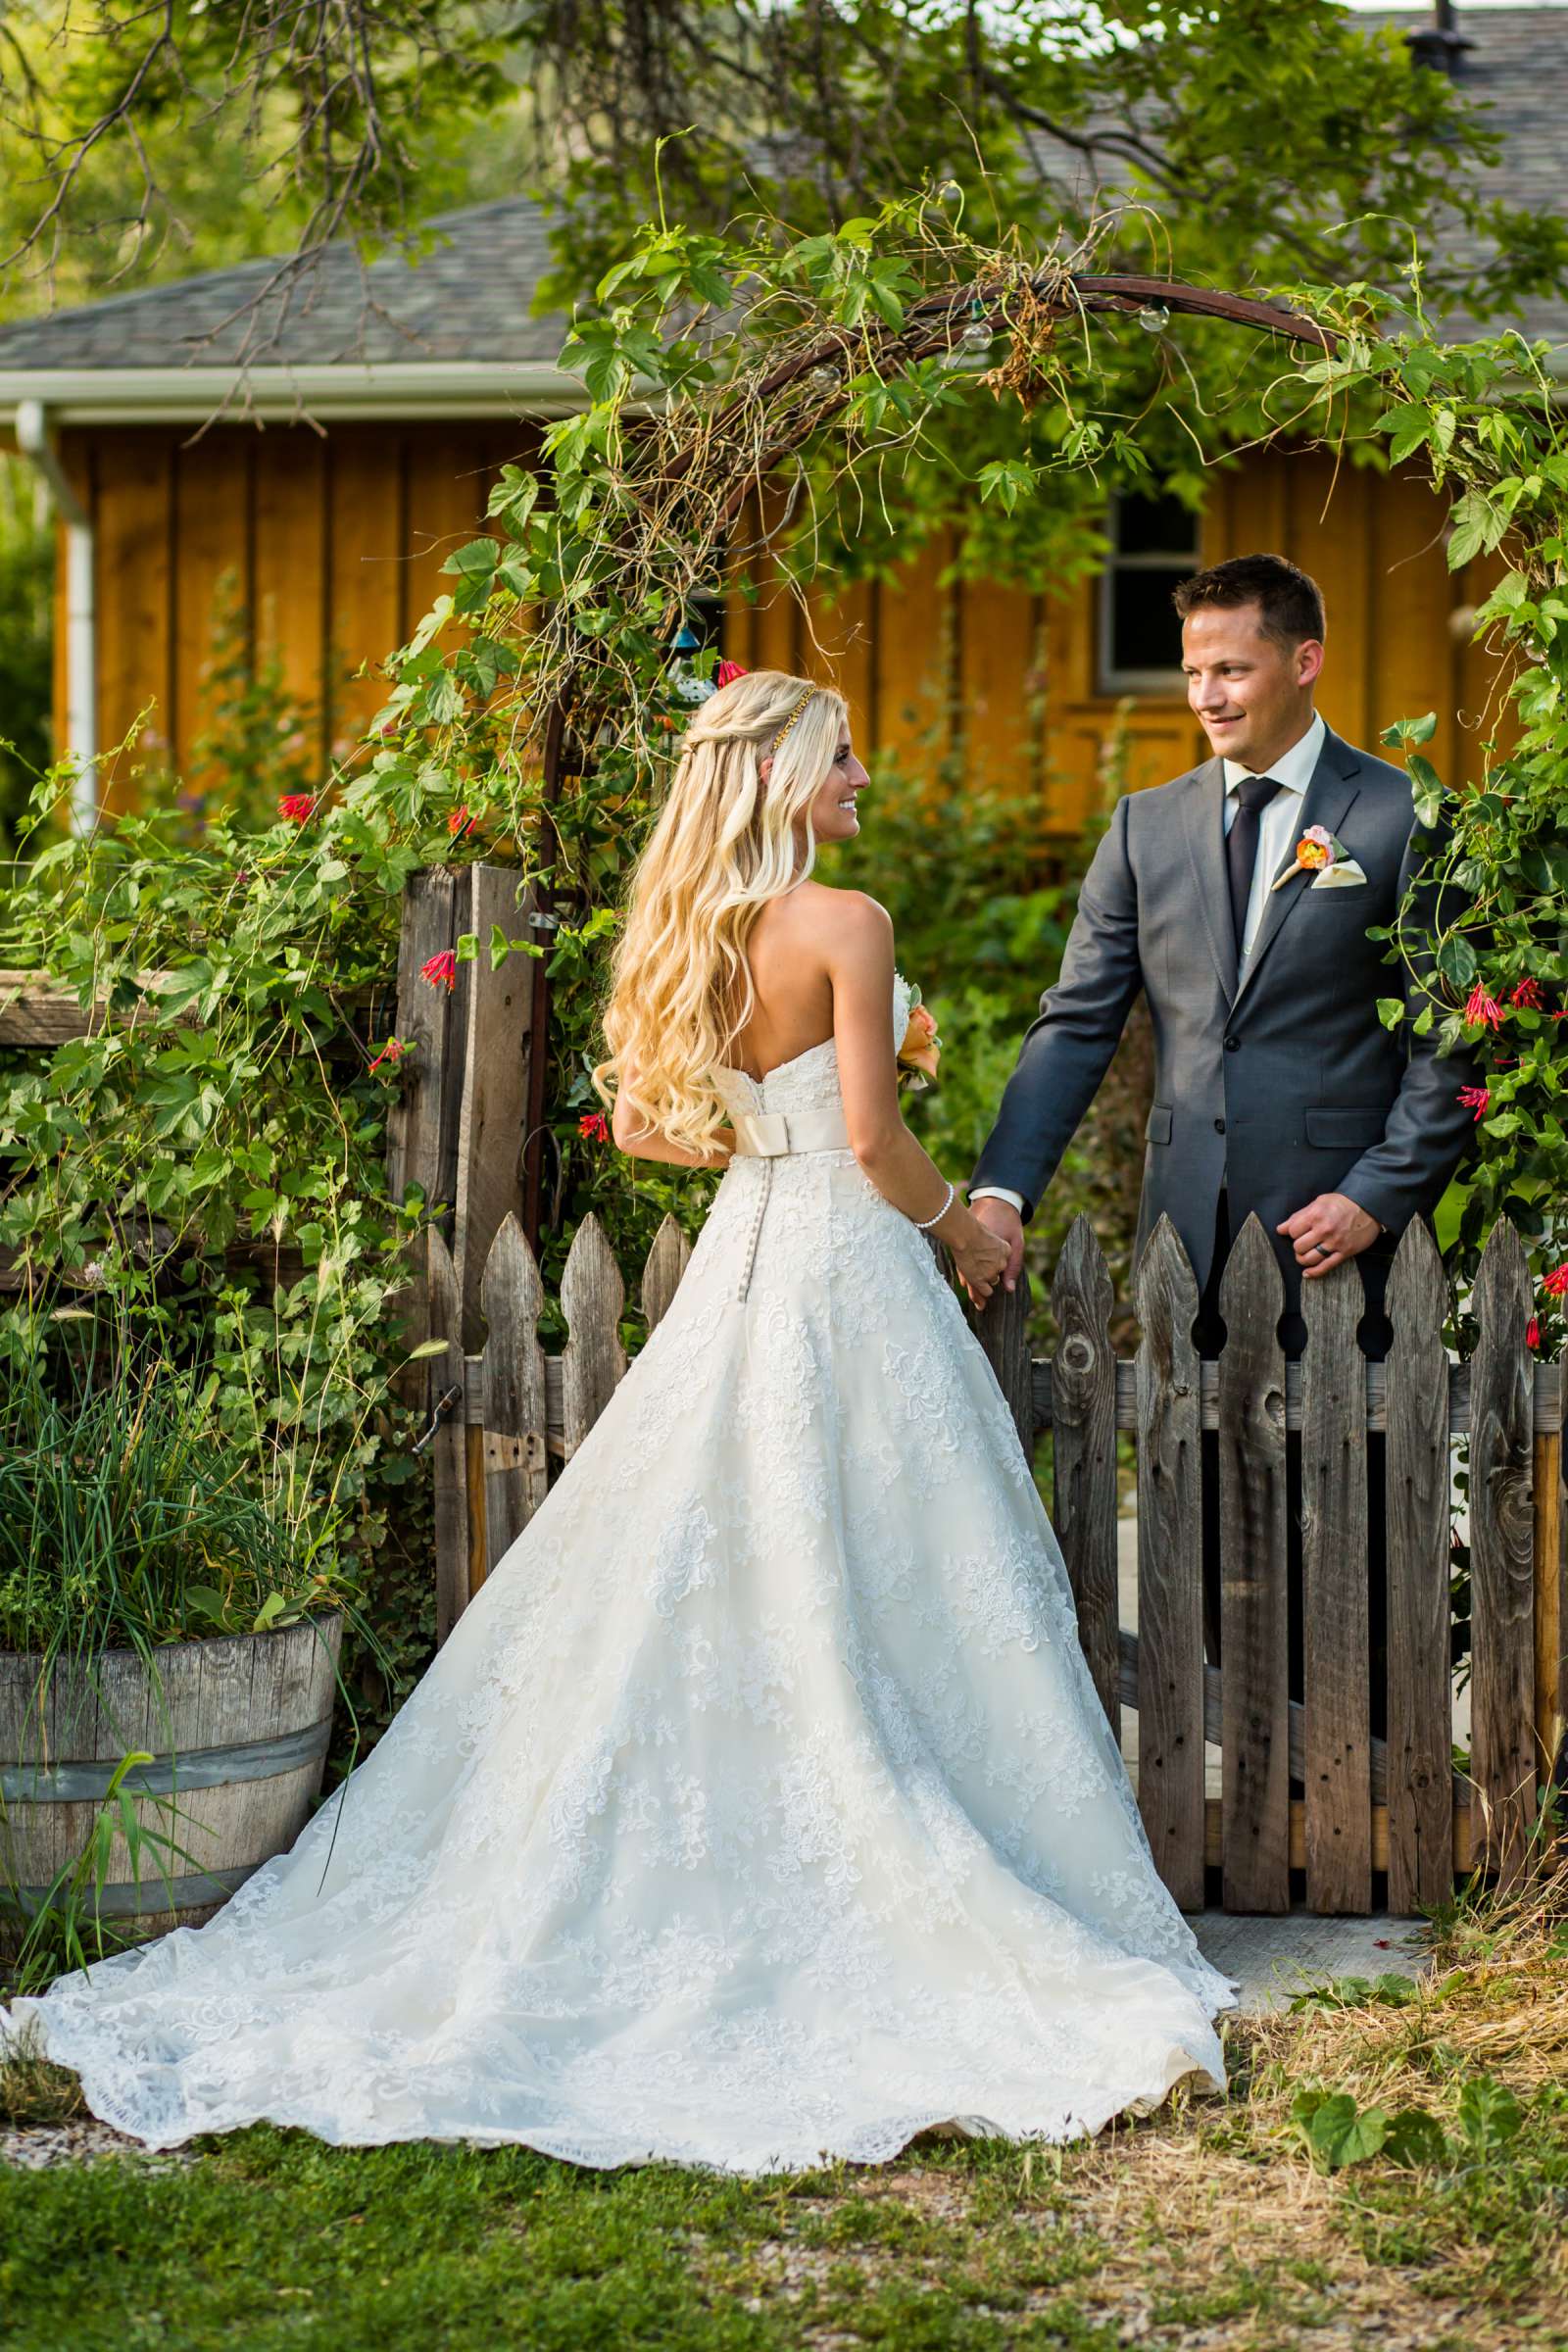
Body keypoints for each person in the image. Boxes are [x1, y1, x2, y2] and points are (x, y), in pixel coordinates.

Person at [1, 666, 1235, 2173]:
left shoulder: (689, 935)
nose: (862, 777)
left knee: (721, 1545)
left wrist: (756, 1132)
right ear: (780, 773)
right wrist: (962, 1232)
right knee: (883, 1550)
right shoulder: (845, 922)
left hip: (741, 1259)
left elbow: (654, 1126)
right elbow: (867, 1134)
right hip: (843, 1261)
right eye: (842, 757)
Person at [968, 554, 1479, 1739]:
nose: (1205, 692)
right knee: (1196, 1510)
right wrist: (1002, 1188)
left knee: (1346, 1503)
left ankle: (1359, 1770)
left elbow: (1450, 1041)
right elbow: (1076, 1023)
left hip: (1338, 1237)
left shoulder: (1402, 815)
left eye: (1231, 667)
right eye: (1192, 669)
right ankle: (1226, 1779)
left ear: (1303, 662)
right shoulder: (1145, 827)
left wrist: (1378, 1195)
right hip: (1184, 1227)